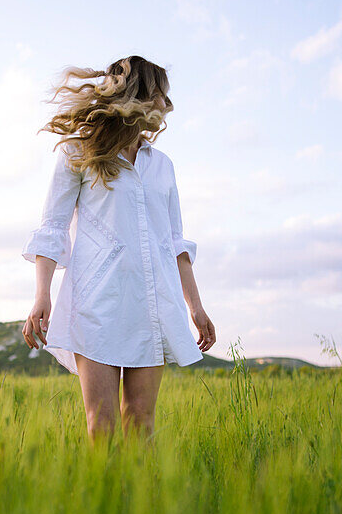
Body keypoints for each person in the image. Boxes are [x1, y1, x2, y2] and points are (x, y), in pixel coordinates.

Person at [20, 55, 216, 441]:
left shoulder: (162, 166)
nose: (166, 106)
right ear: (141, 94)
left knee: (141, 424)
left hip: (153, 305)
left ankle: (136, 503)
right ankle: (104, 501)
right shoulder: (78, 153)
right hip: (97, 304)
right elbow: (53, 228)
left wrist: (196, 306)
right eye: (161, 95)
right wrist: (41, 295)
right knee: (103, 427)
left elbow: (174, 244)